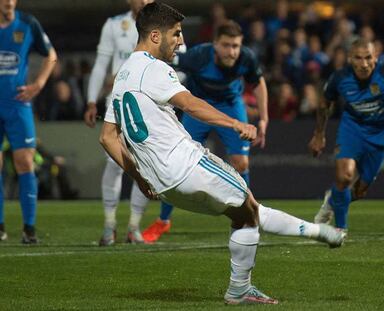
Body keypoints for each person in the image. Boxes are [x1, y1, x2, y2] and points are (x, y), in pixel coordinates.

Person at [100, 2, 346, 304]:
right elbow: (191, 105)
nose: (180, 40)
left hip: (162, 183)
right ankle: (297, 248)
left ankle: (308, 242)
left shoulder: (123, 75)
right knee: (251, 211)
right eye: (175, 34)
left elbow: (107, 138)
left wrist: (139, 177)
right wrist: (235, 123)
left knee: (242, 214)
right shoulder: (154, 68)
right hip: (187, 166)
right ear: (154, 36)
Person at [142, 19, 269, 243]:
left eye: (236, 46)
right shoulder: (198, 56)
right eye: (227, 45)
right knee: (176, 163)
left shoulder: (246, 57)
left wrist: (264, 118)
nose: (232, 52)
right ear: (215, 44)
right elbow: (165, 60)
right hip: (198, 107)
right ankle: (163, 221)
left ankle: (247, 217)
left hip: (231, 105)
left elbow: (258, 83)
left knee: (242, 164)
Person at [309, 38, 384, 231]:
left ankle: (331, 201)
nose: (364, 64)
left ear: (376, 57)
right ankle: (340, 229)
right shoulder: (340, 78)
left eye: (368, 58)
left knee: (359, 191)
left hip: (381, 133)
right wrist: (319, 134)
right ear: (350, 58)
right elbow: (324, 103)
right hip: (352, 128)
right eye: (358, 58)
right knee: (345, 176)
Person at [84, 0, 153, 246]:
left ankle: (134, 227)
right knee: (114, 162)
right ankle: (109, 225)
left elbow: (177, 62)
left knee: (145, 164)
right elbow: (102, 63)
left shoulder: (164, 23)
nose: (144, 1)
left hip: (150, 101)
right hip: (119, 99)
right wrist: (91, 100)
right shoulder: (114, 25)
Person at [0, 0, 57, 243]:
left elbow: (51, 56)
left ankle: (29, 229)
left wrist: (39, 84)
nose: (10, 2)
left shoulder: (27, 23)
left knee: (24, 162)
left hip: (18, 104)